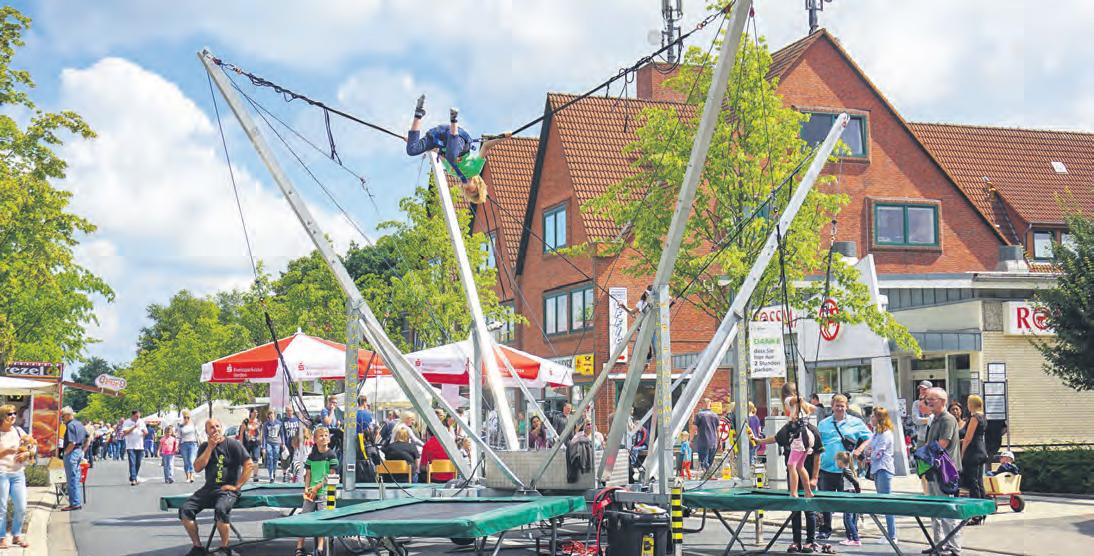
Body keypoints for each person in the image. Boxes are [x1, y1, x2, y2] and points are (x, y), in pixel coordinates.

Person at [750, 402, 825, 553]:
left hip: (807, 473)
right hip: (795, 475)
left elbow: (817, 456)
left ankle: (810, 541)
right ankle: (796, 540)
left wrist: (815, 478)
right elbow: (776, 438)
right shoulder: (789, 427)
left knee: (808, 509)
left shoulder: (810, 429)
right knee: (795, 509)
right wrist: (759, 441)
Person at [179, 419, 254, 556]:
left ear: (222, 428)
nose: (215, 429)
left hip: (227, 490)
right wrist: (210, 448)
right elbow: (197, 468)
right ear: (207, 431)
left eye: (217, 426)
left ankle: (224, 548)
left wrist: (237, 486)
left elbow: (249, 464)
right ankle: (197, 547)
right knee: (185, 510)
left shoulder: (233, 444)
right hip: (209, 488)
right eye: (211, 428)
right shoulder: (204, 446)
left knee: (221, 509)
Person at [405, 95, 486, 203]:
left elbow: (437, 151)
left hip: (439, 136)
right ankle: (454, 120)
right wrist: (502, 138)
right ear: (477, 185)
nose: (467, 189)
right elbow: (486, 146)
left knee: (412, 150)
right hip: (460, 141)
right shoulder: (475, 170)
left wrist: (414, 142)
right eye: (472, 191)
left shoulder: (452, 172)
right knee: (452, 156)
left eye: (466, 191)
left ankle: (419, 112)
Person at [816, 394, 871, 539]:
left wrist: (860, 449)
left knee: (849, 502)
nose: (840, 408)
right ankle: (825, 529)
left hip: (846, 470)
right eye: (837, 406)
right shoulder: (823, 423)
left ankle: (851, 531)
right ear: (832, 406)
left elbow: (870, 437)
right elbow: (817, 443)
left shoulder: (856, 422)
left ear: (846, 406)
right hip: (826, 467)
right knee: (825, 501)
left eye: (842, 406)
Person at [923, 387, 963, 555]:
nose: (929, 402)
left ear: (942, 401)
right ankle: (938, 544)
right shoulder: (935, 419)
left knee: (947, 509)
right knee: (935, 510)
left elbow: (942, 444)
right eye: (928, 400)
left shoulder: (947, 419)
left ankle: (954, 547)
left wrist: (923, 452)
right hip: (934, 469)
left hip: (946, 472)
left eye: (932, 399)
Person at [294, 426, 338, 556]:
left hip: (326, 491)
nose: (324, 438)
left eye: (326, 435)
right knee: (304, 517)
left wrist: (317, 487)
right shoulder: (312, 456)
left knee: (322, 519)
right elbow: (308, 474)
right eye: (321, 436)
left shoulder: (331, 455)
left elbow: (331, 476)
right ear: (315, 439)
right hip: (311, 491)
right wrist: (307, 488)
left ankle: (320, 548)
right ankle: (299, 547)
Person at [858, 406, 898, 545]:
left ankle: (892, 535)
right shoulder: (876, 433)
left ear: (879, 418)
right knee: (883, 502)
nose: (871, 418)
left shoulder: (886, 434)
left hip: (883, 468)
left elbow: (877, 453)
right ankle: (889, 534)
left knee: (887, 503)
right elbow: (869, 449)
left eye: (873, 416)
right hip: (877, 468)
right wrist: (869, 452)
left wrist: (870, 454)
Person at [0, 404, 34, 549]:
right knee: (2, 508)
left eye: (14, 413)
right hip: (2, 473)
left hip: (18, 473)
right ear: (2, 417)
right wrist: (6, 451)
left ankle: (16, 534)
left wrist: (27, 453)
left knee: (21, 507)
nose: (13, 416)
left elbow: (32, 446)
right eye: (9, 414)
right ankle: (1, 537)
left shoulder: (19, 431)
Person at [961, 394, 989, 522]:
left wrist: (962, 453)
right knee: (979, 482)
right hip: (981, 450)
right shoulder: (983, 416)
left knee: (973, 483)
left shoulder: (974, 418)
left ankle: (976, 513)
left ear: (971, 404)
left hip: (973, 452)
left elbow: (968, 437)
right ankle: (983, 511)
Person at [784, 397, 816, 499]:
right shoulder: (803, 406)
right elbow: (813, 408)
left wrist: (798, 403)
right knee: (800, 466)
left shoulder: (789, 401)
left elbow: (794, 401)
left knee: (791, 465)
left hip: (800, 437)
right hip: (807, 436)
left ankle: (794, 492)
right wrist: (802, 406)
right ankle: (808, 491)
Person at [59, 407, 86, 512]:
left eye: (63, 416)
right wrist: (83, 450)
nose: (62, 418)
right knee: (75, 478)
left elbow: (72, 442)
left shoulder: (70, 425)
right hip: (78, 452)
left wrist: (65, 453)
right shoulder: (79, 424)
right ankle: (76, 502)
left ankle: (75, 503)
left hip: (72, 452)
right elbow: (88, 437)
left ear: (68, 415)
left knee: (71, 479)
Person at [836, 451, 862, 546]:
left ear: (840, 461)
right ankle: (850, 538)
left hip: (849, 493)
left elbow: (855, 482)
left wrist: (857, 494)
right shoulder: (848, 470)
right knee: (850, 518)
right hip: (849, 493)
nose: (836, 463)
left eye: (836, 461)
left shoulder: (846, 471)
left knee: (847, 518)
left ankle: (855, 539)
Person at [693, 398, 720, 472]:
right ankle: (709, 473)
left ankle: (706, 473)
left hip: (703, 441)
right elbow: (718, 430)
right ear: (710, 404)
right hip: (713, 442)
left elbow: (694, 428)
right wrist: (719, 441)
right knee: (710, 461)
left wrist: (691, 440)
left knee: (703, 461)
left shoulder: (699, 415)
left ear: (703, 404)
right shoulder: (715, 415)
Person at [261, 408, 284, 483]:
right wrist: (263, 447)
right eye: (269, 414)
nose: (271, 416)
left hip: (276, 443)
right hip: (269, 442)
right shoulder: (266, 424)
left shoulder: (279, 423)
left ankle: (274, 472)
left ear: (275, 415)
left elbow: (282, 434)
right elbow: (264, 436)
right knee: (270, 458)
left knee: (275, 458)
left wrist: (283, 443)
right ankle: (271, 475)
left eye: (272, 414)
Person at [237, 409, 261, 480]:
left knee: (256, 458)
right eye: (254, 412)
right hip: (247, 443)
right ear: (251, 413)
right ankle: (245, 474)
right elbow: (241, 432)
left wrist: (261, 442)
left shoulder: (258, 422)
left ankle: (255, 475)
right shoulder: (246, 421)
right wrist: (241, 443)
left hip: (256, 443)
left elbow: (260, 433)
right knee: (246, 459)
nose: (256, 414)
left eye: (257, 412)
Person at [178, 410, 200, 483]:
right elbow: (179, 436)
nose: (186, 419)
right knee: (186, 462)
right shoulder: (181, 426)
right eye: (185, 417)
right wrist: (177, 446)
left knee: (191, 460)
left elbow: (197, 434)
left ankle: (192, 475)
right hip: (184, 444)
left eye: (188, 417)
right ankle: (187, 476)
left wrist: (200, 442)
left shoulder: (193, 425)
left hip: (193, 444)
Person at [912, 380, 933, 447]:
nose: (922, 391)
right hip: (921, 438)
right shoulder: (916, 403)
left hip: (934, 437)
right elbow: (916, 420)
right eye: (920, 389)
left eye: (924, 389)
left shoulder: (935, 402)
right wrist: (931, 419)